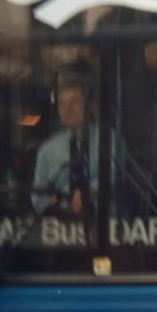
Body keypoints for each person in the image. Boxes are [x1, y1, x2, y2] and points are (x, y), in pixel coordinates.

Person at [32, 62, 98, 216]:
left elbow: (112, 177)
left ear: (91, 106)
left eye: (74, 102)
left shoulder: (110, 142)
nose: (67, 110)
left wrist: (92, 191)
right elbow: (38, 200)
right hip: (59, 230)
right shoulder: (47, 151)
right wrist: (61, 203)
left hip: (103, 229)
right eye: (62, 104)